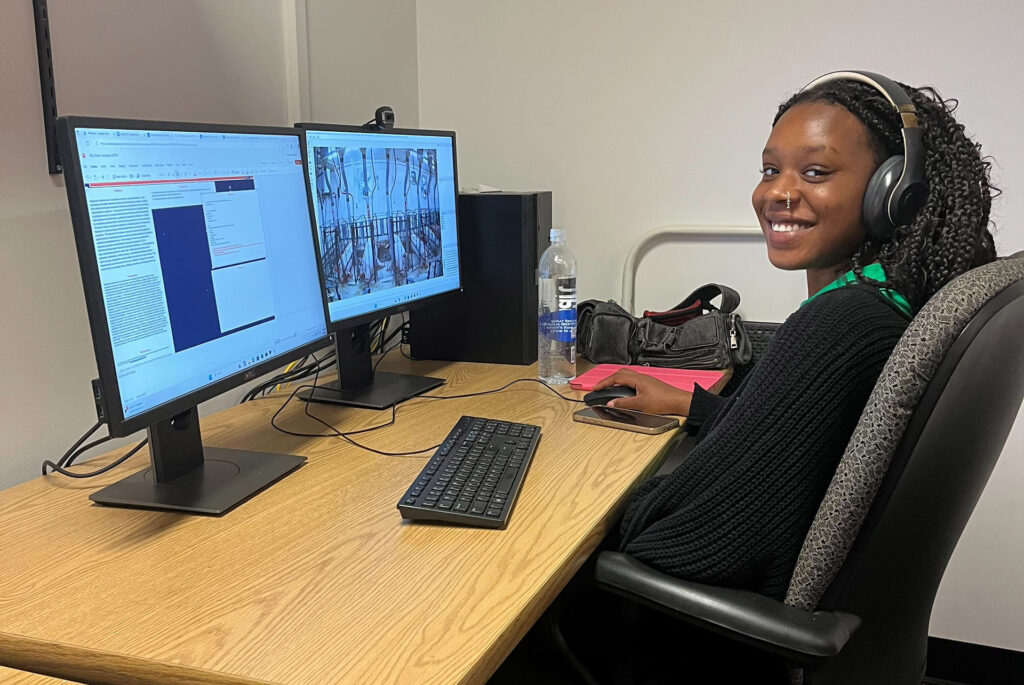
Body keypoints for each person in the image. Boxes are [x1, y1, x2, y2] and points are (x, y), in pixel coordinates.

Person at [592, 74, 998, 600]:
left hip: (677, 624)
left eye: (815, 172)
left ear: (894, 193)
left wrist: (602, 510)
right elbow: (807, 450)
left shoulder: (842, 324)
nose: (777, 193)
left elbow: (690, 545)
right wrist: (693, 408)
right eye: (770, 170)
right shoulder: (884, 301)